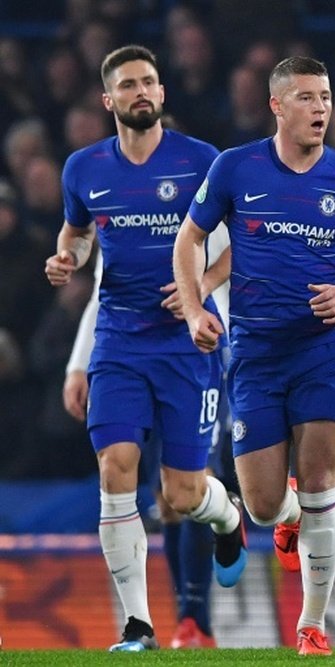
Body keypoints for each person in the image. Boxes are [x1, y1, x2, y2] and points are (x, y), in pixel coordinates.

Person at [172, 56, 335, 656]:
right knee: (265, 509)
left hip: (324, 349)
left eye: (326, 97)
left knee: (323, 483)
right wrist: (196, 312)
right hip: (255, 353)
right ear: (276, 105)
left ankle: (312, 625)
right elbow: (188, 241)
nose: (321, 108)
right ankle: (284, 510)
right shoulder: (235, 168)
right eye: (306, 98)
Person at [42, 45, 246, 652]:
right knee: (115, 469)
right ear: (109, 99)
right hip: (119, 339)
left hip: (188, 343)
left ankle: (229, 517)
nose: (141, 92)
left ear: (161, 93)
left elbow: (240, 246)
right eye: (128, 84)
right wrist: (66, 259)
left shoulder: (202, 162)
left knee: (182, 496)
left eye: (149, 82)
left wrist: (196, 291)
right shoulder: (83, 168)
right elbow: (78, 234)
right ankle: (138, 625)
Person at [64, 235, 231, 649]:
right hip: (130, 356)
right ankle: (175, 621)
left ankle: (198, 619)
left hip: (201, 352)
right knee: (166, 499)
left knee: (191, 485)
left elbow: (243, 251)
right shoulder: (122, 205)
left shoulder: (202, 184)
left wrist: (201, 290)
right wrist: (78, 364)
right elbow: (104, 293)